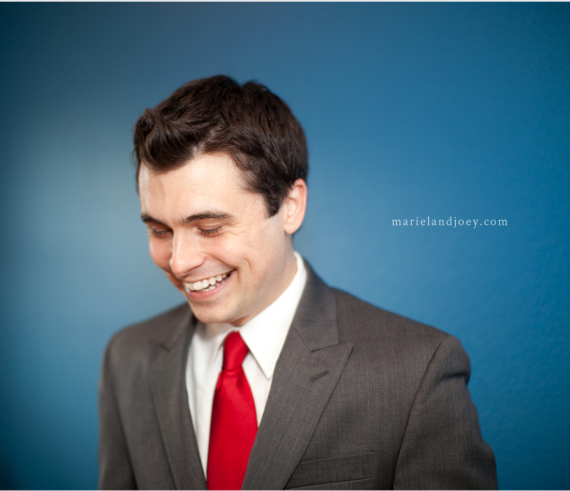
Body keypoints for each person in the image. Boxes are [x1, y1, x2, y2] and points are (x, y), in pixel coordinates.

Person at [98, 75, 496, 490]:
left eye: (210, 227)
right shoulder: (126, 359)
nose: (179, 262)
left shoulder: (416, 372)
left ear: (290, 206)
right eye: (160, 231)